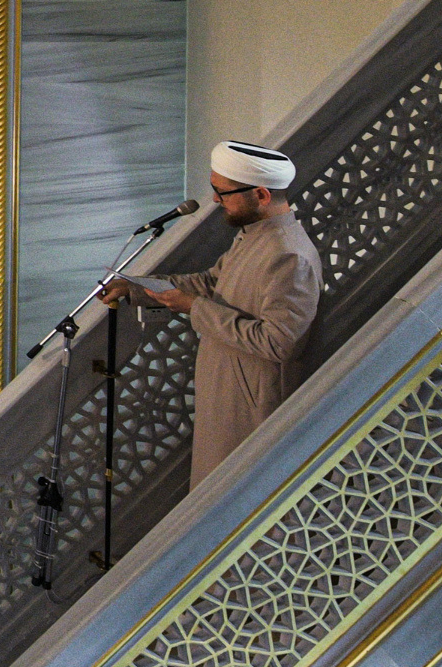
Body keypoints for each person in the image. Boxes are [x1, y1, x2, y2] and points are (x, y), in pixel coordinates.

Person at [105, 141, 325, 474]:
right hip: (225, 389)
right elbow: (213, 283)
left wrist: (194, 308)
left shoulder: (289, 256)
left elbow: (279, 342)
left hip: (251, 405)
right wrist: (140, 289)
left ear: (262, 195)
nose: (215, 200)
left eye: (223, 192)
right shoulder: (253, 235)